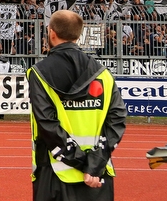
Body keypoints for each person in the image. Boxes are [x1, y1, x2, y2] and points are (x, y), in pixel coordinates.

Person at [27, 10, 126, 201]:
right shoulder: (103, 74)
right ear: (79, 35)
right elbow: (117, 119)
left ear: (51, 32)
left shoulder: (38, 74)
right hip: (98, 175)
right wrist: (94, 164)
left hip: (54, 174)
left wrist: (82, 162)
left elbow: (47, 125)